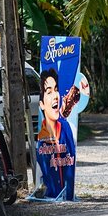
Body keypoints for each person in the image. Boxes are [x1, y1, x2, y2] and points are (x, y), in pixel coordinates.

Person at [35, 68, 77, 200]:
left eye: (56, 90)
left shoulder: (66, 127)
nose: (55, 96)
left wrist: (69, 197)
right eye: (49, 92)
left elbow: (70, 169)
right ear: (41, 104)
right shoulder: (42, 139)